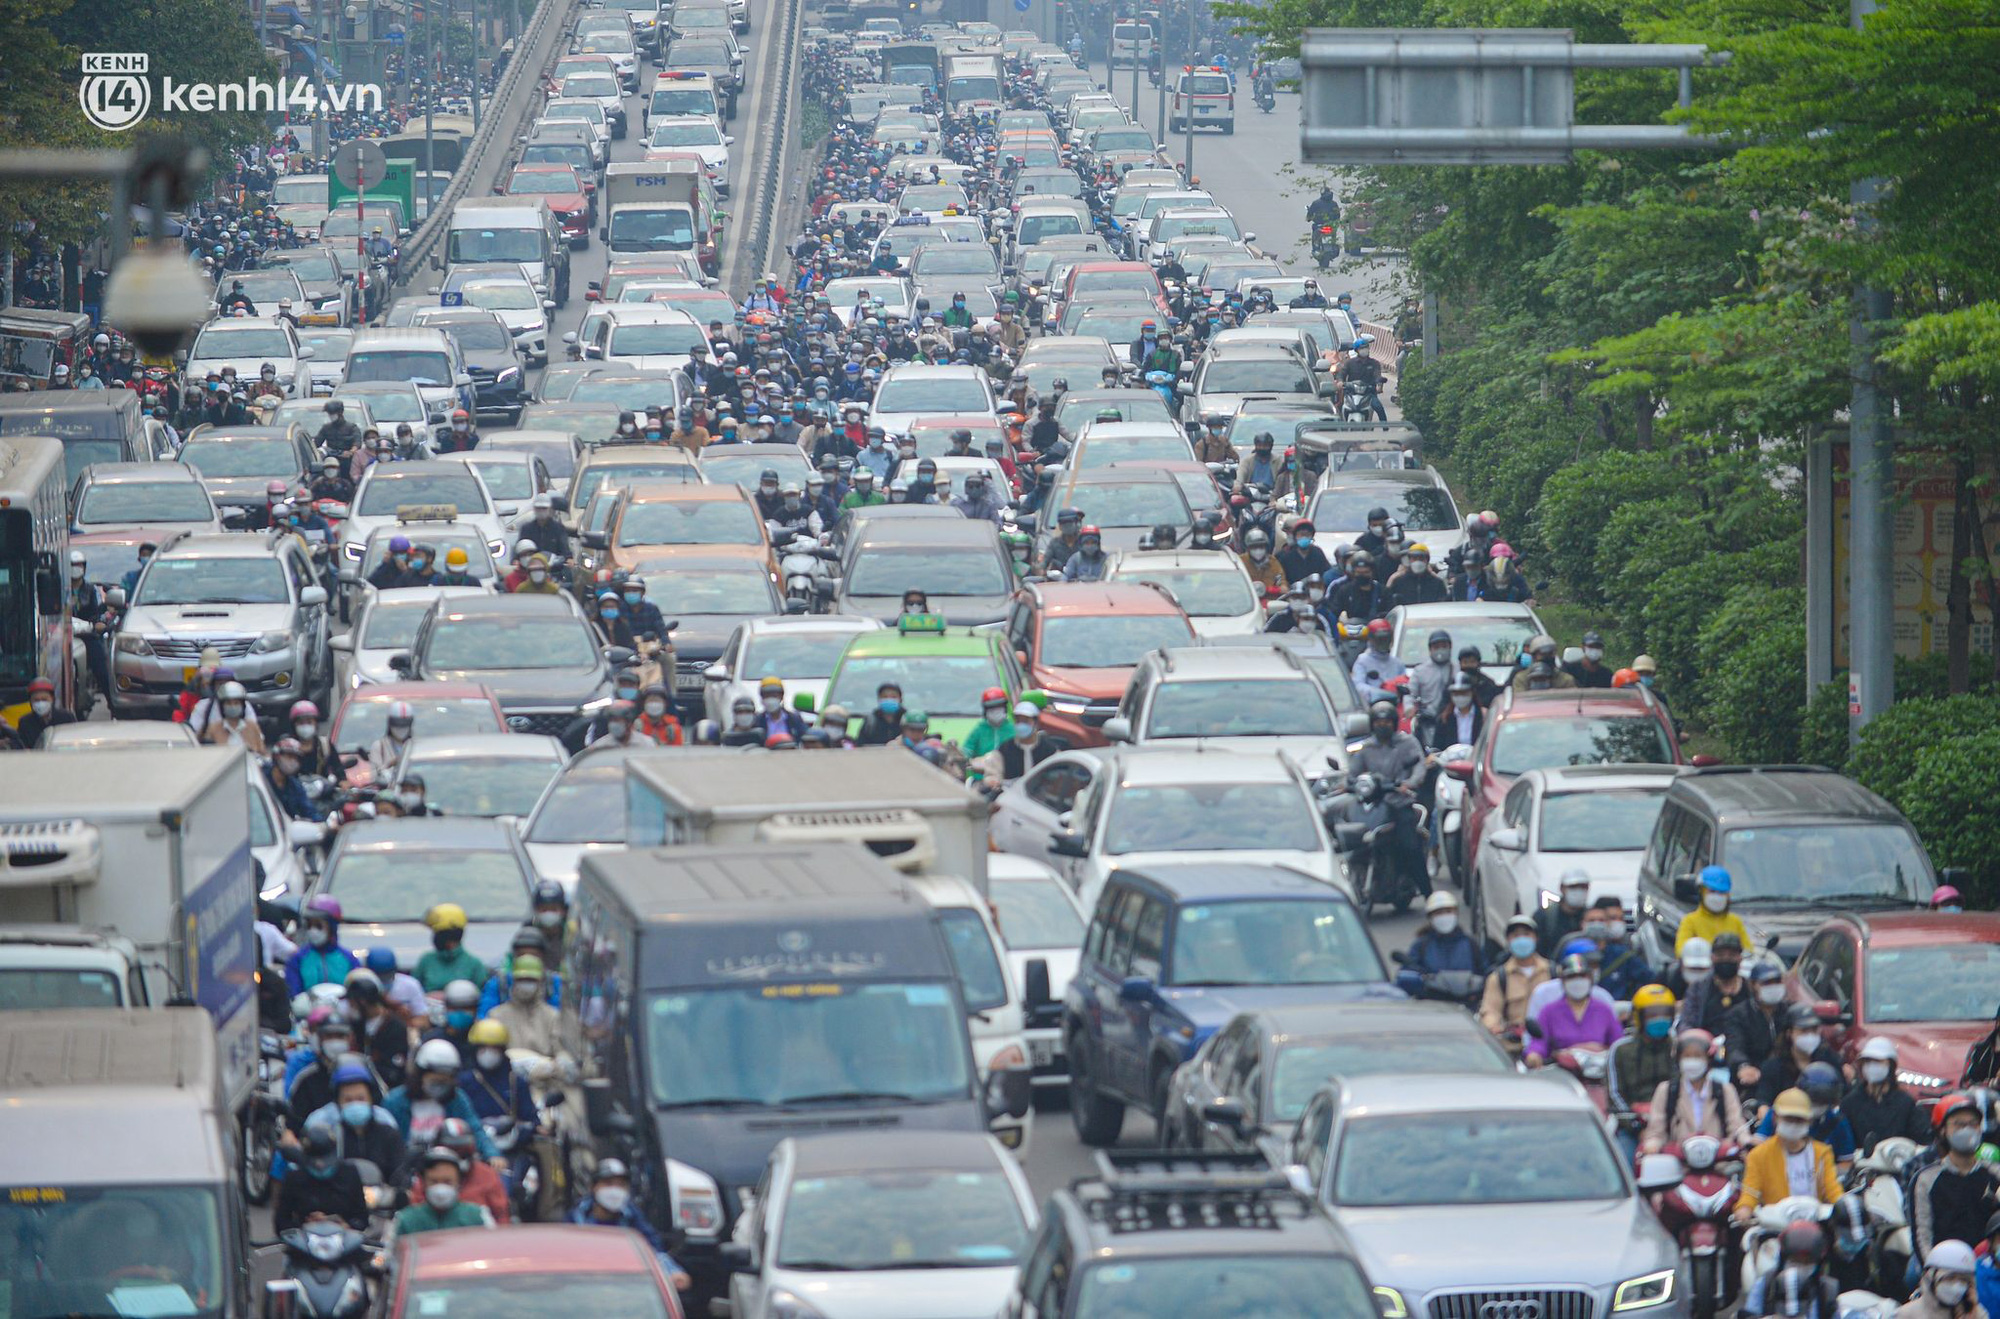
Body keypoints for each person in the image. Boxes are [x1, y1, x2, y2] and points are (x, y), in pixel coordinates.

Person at [1347, 699, 1428, 895]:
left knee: (1410, 847)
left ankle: (1428, 893)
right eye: (1378, 722)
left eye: (1386, 722)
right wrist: (1348, 783)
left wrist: (1410, 783)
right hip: (1374, 805)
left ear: (1394, 723)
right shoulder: (1366, 748)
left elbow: (1419, 767)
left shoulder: (1407, 742)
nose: (1382, 726)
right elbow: (1353, 773)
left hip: (1399, 804)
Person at [570, 1159, 691, 1290]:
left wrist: (672, 1272)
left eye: (621, 1185)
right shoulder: (576, 1217)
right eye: (608, 1183)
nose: (614, 1190)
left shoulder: (633, 1216)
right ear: (594, 1187)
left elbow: (651, 1250)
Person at [1910, 1094, 2000, 1267]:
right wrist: (1933, 1271)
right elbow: (1922, 1234)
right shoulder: (1926, 1179)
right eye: (1959, 1124)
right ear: (1943, 1130)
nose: (1967, 1129)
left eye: (1973, 1124)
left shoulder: (1995, 1173)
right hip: (1945, 1269)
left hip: (1989, 1267)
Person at [382, 1038, 502, 1162]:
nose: (440, 1085)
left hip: (450, 1165)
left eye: (446, 1080)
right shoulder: (395, 1102)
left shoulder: (457, 1099)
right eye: (435, 1080)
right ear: (420, 1074)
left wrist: (492, 1154)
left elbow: (474, 1128)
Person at [1738, 1087, 1845, 1221]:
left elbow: (1833, 1190)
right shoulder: (1758, 1155)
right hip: (1776, 1229)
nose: (1793, 1124)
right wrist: (1744, 1210)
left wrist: (1843, 1206)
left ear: (1809, 1121)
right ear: (1775, 1118)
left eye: (1799, 1120)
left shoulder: (1822, 1153)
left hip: (1814, 1226)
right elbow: (1750, 1192)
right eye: (1788, 1119)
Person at [1642, 1026, 1751, 1154]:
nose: (1692, 1061)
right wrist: (1652, 1144)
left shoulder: (1724, 1090)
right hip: (1678, 1161)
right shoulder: (1666, 1090)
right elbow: (1656, 1129)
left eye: (1698, 1056)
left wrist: (1745, 1139)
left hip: (1718, 1161)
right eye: (1687, 1056)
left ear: (1709, 1059)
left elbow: (1736, 1125)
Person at [1524, 953, 1625, 1066]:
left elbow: (1618, 1043)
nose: (1577, 981)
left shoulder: (1603, 1010)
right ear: (1562, 981)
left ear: (1590, 979)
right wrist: (1534, 1054)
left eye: (1582, 976)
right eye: (1571, 977)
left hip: (1599, 1072)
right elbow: (1539, 1042)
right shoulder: (1549, 1012)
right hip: (1562, 1074)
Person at [272, 1126, 368, 1234]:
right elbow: (281, 1222)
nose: (321, 1165)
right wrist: (305, 1227)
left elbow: (362, 1219)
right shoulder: (295, 1177)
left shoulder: (349, 1174)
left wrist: (345, 1225)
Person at [388, 1147, 496, 1242]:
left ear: (458, 1183)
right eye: (434, 1181)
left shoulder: (477, 1217)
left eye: (447, 1181)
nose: (440, 1188)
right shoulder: (405, 1220)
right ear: (423, 1183)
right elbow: (387, 1257)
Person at [1843, 1037, 1929, 1154]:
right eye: (1868, 1062)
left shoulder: (1905, 1103)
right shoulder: (1850, 1103)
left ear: (1890, 1066)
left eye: (1878, 1062)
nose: (1872, 1066)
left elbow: (1922, 1139)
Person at [1744, 1221, 1843, 1319]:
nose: (1802, 1266)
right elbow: (1751, 1313)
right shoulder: (1767, 1284)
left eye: (1808, 1262)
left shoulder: (1827, 1290)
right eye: (1796, 1260)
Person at [1479, 914, 1550, 1050]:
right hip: (1514, 1046)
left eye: (1526, 934)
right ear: (1508, 940)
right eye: (1516, 936)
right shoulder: (1499, 977)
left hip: (1547, 1045)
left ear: (1536, 938)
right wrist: (1493, 1027)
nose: (1522, 939)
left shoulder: (1552, 972)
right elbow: (1490, 1010)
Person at [1397, 892, 1483, 994]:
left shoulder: (1470, 944)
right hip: (1432, 1002)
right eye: (1439, 913)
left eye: (1448, 911)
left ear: (1456, 913)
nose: (1444, 916)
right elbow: (1408, 975)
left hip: (1468, 1002)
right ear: (1430, 917)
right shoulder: (1421, 946)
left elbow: (1484, 973)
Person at [1678, 929, 1753, 1035]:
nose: (1726, 959)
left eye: (1731, 955)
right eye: (1720, 955)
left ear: (1740, 958)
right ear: (1712, 958)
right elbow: (1687, 1022)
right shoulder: (1698, 988)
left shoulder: (1750, 988)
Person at [486, 954, 559, 1059]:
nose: (526, 984)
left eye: (531, 980)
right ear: (514, 980)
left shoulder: (552, 1016)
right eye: (522, 979)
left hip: (543, 1073)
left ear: (540, 981)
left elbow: (560, 1051)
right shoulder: (496, 1015)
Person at [286, 895, 357, 994]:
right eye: (309, 925)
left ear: (332, 927)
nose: (313, 931)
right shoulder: (298, 960)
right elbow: (293, 993)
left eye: (318, 926)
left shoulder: (349, 959)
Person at [1675, 865, 1752, 954]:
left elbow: (1748, 951)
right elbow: (1681, 951)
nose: (1717, 896)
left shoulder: (1735, 922)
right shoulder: (1690, 921)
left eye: (1722, 892)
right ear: (1701, 892)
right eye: (1712, 891)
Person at [415, 902, 488, 995]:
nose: (434, 937)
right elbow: (414, 992)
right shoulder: (426, 961)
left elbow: (481, 996)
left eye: (437, 933)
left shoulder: (474, 965)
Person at [998, 700, 1068, 781]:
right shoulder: (1005, 749)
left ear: (1036, 723)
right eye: (1018, 721)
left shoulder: (1048, 750)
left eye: (1025, 721)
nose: (1021, 725)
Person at [1533, 871, 1591, 958]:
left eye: (1583, 887)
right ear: (1562, 888)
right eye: (1573, 887)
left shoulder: (1591, 916)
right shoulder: (1545, 916)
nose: (1579, 891)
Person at [1350, 618, 1408, 705]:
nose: (1383, 643)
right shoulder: (1362, 661)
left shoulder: (1397, 663)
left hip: (1394, 707)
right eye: (1380, 640)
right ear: (1371, 640)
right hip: (1372, 707)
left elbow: (1405, 684)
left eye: (1386, 640)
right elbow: (1357, 685)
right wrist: (1380, 693)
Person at [202, 680, 266, 753]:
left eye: (236, 703)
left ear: (242, 705)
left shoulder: (252, 726)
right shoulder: (213, 728)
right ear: (222, 706)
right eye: (228, 703)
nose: (232, 706)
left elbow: (262, 751)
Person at [12, 676, 75, 746]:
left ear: (52, 699)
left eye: (44, 699)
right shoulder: (25, 722)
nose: (40, 703)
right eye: (36, 700)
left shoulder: (66, 718)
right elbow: (20, 747)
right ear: (30, 702)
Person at [366, 700, 417, 777]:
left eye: (404, 725)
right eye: (397, 725)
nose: (400, 729)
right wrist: (389, 765)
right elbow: (373, 775)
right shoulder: (379, 747)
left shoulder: (416, 746)